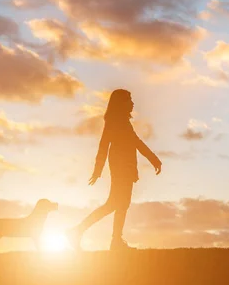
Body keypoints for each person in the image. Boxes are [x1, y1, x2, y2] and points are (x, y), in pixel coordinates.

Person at [67, 89, 162, 251]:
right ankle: (83, 232)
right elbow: (104, 145)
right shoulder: (114, 122)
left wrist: (153, 159)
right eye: (128, 100)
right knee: (115, 204)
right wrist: (98, 170)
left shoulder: (124, 122)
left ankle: (112, 239)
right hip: (121, 168)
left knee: (120, 204)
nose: (132, 103)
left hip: (126, 167)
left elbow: (136, 142)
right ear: (120, 103)